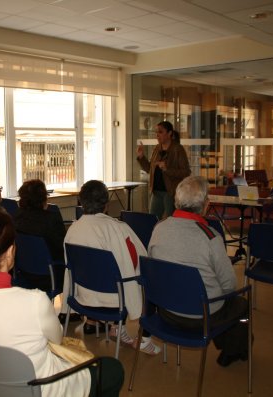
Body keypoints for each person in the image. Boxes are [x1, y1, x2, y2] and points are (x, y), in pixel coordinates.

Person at [0, 210, 124, 397]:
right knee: (113, 370)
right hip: (42, 387)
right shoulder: (34, 301)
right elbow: (56, 340)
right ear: (9, 252)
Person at [148, 176, 249, 367]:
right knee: (240, 303)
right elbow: (229, 285)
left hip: (167, 311)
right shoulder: (211, 237)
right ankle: (233, 351)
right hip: (201, 317)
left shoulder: (158, 229)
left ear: (176, 201)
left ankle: (231, 348)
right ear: (206, 205)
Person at [61, 180, 160, 355]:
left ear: (81, 202)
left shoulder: (72, 229)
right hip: (114, 300)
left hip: (81, 296)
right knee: (144, 278)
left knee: (109, 271)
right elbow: (139, 259)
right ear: (106, 204)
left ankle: (116, 328)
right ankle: (141, 337)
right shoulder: (117, 228)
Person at [136, 121, 190, 219]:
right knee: (152, 220)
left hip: (170, 192)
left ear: (169, 133)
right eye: (156, 132)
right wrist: (141, 157)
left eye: (160, 132)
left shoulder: (178, 149)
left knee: (168, 221)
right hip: (156, 192)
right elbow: (149, 169)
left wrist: (167, 169)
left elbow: (186, 172)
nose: (157, 135)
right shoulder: (157, 148)